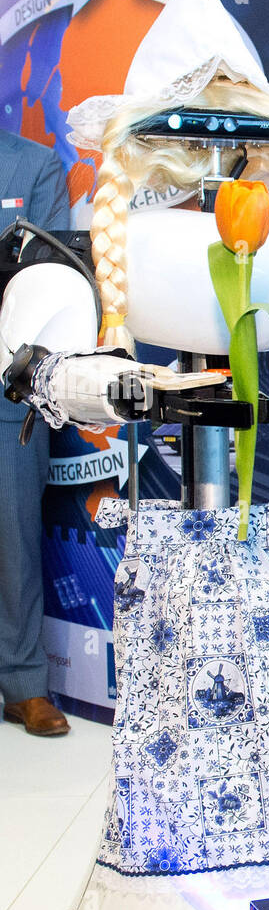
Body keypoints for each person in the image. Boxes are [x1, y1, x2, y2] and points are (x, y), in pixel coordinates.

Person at [0, 128, 71, 736]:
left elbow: (54, 276)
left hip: (9, 384)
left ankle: (23, 684)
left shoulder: (35, 165)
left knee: (14, 535)